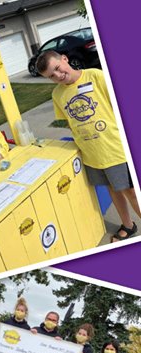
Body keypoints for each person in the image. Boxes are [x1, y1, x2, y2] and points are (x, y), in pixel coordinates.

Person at [37, 50, 140, 242]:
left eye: (58, 68)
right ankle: (128, 225)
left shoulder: (95, 76)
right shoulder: (57, 94)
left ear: (65, 59)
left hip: (114, 148)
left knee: (131, 192)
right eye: (51, 76)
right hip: (92, 154)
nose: (58, 76)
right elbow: (67, 121)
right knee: (113, 190)